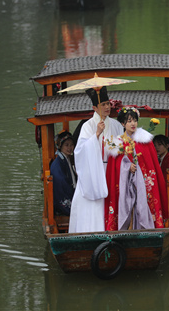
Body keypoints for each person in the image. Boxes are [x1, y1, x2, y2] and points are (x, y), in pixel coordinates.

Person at [68, 86, 123, 233]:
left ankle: (113, 230)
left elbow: (122, 148)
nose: (107, 107)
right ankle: (90, 232)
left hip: (111, 170)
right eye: (103, 104)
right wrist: (96, 135)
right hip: (93, 172)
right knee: (93, 205)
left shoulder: (117, 125)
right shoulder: (88, 126)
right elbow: (79, 151)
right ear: (95, 107)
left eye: (107, 103)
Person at [115, 107, 169, 228]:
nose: (133, 123)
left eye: (134, 120)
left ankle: (151, 226)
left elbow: (151, 163)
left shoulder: (145, 140)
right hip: (126, 181)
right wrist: (128, 167)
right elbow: (116, 164)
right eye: (129, 121)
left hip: (145, 179)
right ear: (123, 123)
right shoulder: (118, 143)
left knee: (148, 201)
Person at [50, 131, 77, 216]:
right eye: (66, 145)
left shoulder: (65, 159)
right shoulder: (58, 164)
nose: (69, 148)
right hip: (62, 203)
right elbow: (61, 184)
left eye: (71, 145)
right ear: (60, 146)